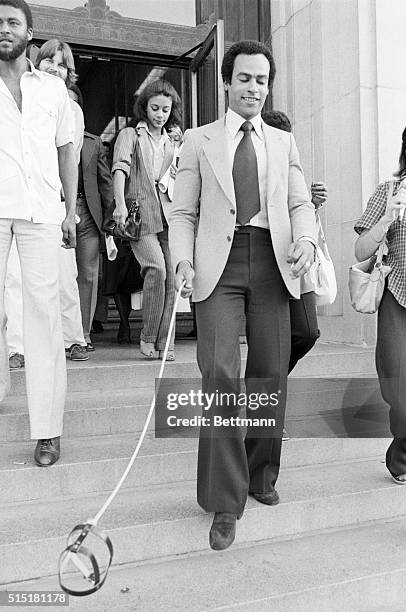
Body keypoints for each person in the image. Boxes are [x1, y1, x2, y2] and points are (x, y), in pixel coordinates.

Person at [169, 40, 317, 550]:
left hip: (273, 264)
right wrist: (181, 259)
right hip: (218, 267)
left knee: (270, 372)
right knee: (220, 372)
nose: (254, 88)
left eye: (262, 80)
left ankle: (260, 473)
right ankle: (224, 501)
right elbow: (183, 212)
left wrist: (306, 239)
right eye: (246, 79)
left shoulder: (282, 141)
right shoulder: (198, 140)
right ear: (227, 82)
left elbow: (300, 203)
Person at [0, 0, 77, 465]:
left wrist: (70, 211)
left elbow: (67, 151)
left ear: (30, 31)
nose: (2, 30)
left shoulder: (52, 90)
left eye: (11, 22)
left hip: (44, 212)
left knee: (44, 318)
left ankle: (48, 430)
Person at [112, 79, 181, 361]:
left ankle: (167, 344)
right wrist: (119, 205)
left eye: (166, 109)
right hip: (140, 215)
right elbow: (120, 169)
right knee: (157, 269)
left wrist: (179, 146)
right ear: (145, 107)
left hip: (169, 213)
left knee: (173, 280)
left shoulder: (173, 138)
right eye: (155, 108)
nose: (160, 115)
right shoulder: (130, 134)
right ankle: (148, 336)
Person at [354, 127, 406, 484]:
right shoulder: (386, 191)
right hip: (397, 295)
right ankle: (401, 451)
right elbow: (360, 250)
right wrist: (388, 217)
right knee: (397, 389)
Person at [35, 39, 88, 360]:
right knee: (16, 277)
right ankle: (18, 347)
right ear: (36, 63)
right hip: (22, 200)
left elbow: (71, 156)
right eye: (48, 62)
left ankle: (73, 338)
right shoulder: (22, 98)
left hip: (55, 198)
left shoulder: (72, 110)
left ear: (69, 74)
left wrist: (69, 208)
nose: (54, 69)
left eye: (61, 65)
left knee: (65, 274)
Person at [262, 110, 327, 372]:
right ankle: (263, 391)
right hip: (264, 262)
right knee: (269, 338)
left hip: (296, 263)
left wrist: (312, 204)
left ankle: (268, 383)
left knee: (307, 332)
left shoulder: (292, 167)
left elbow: (297, 213)